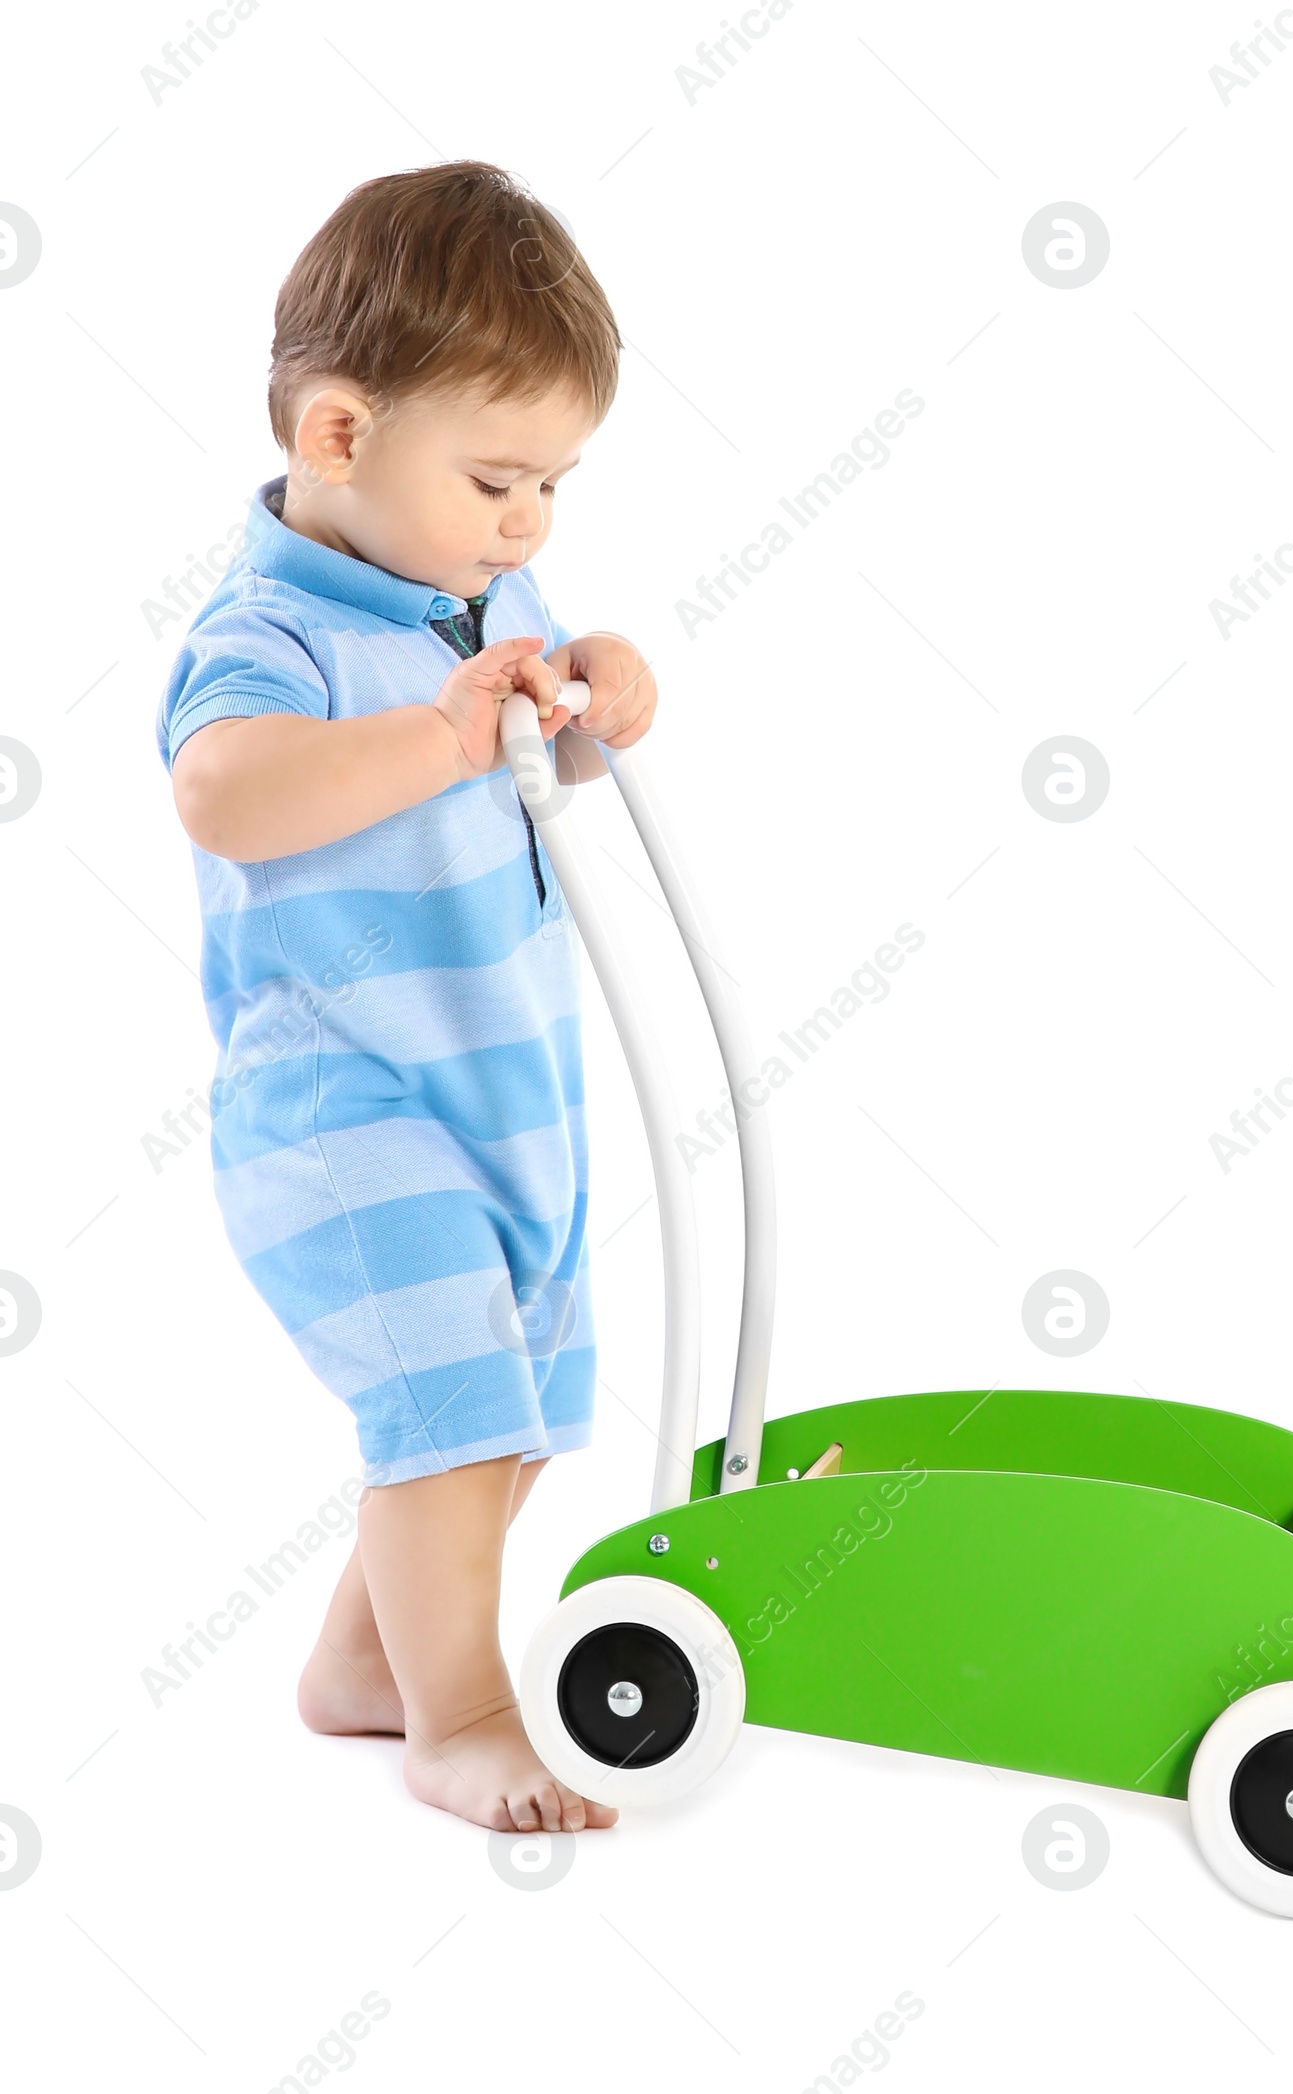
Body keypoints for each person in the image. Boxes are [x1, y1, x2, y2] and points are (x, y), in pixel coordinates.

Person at [156, 161, 654, 1835]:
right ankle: (463, 1715)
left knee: (504, 1421)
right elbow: (227, 790)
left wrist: (602, 691)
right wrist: (439, 728)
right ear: (342, 438)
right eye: (502, 477)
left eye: (556, 484)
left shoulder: (485, 596)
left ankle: (368, 1668)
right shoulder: (273, 626)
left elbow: (547, 732)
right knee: (444, 1412)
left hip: (505, 1086)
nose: (531, 524)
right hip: (346, 1109)